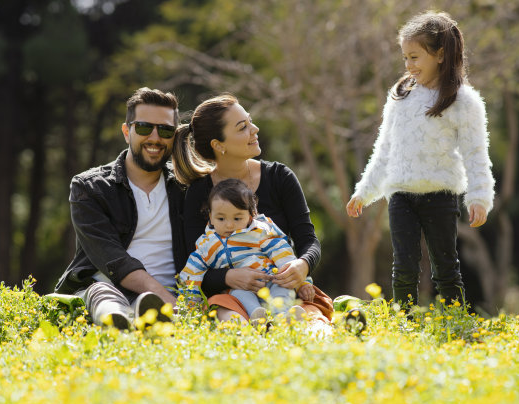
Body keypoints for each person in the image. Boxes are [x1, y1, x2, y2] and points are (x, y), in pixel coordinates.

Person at [346, 11, 495, 307]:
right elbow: (385, 149)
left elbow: (476, 153)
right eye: (405, 58)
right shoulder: (400, 96)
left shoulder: (463, 102)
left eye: (415, 57)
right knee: (403, 267)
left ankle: (456, 323)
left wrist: (479, 197)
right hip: (401, 194)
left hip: (441, 195)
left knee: (446, 269)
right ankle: (406, 323)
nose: (408, 65)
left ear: (440, 55)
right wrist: (364, 192)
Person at [172, 94, 334, 324]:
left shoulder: (280, 177)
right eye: (243, 127)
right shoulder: (199, 192)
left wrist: (302, 264)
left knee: (312, 319)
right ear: (219, 145)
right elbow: (193, 263)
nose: (254, 129)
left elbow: (308, 239)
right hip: (232, 298)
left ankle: (307, 331)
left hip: (283, 289)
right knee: (229, 315)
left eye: (250, 121)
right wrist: (228, 277)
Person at [54, 87, 188, 329]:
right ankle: (118, 322)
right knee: (103, 295)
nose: (155, 138)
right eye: (145, 127)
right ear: (127, 132)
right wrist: (167, 300)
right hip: (106, 288)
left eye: (166, 130)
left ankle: (144, 313)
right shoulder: (89, 187)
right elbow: (113, 259)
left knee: (145, 303)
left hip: (170, 294)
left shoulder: (186, 188)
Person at [180, 178, 314, 322]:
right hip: (240, 288)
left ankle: (283, 316)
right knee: (238, 295)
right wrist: (190, 302)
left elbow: (283, 254)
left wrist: (302, 282)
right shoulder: (207, 244)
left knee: (283, 288)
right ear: (210, 217)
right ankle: (256, 315)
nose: (229, 225)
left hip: (271, 279)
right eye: (221, 219)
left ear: (250, 216)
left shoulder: (259, 231)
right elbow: (192, 272)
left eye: (237, 218)